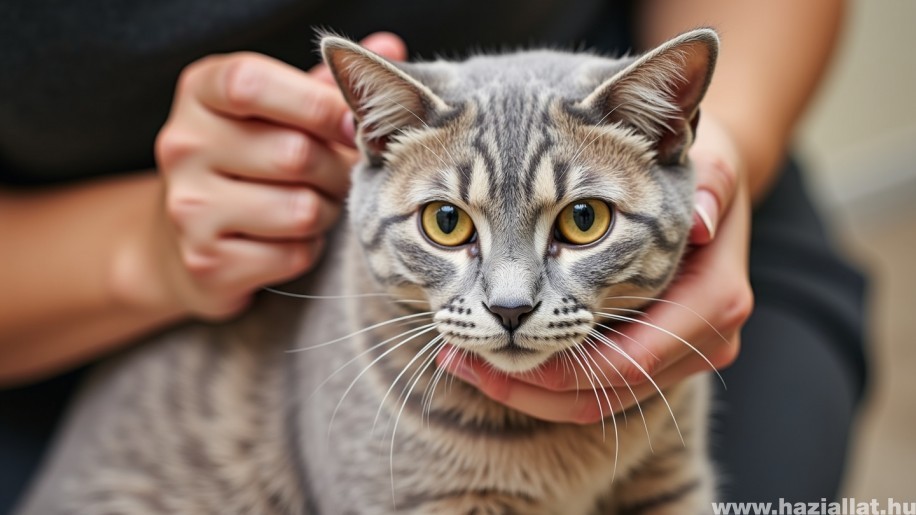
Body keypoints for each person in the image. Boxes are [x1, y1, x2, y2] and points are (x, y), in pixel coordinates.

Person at [0, 0, 866, 509]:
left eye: (581, 222)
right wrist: (150, 249)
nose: (512, 296)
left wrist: (734, 157)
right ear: (374, 147)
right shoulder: (375, 362)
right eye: (451, 226)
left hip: (690, 272)